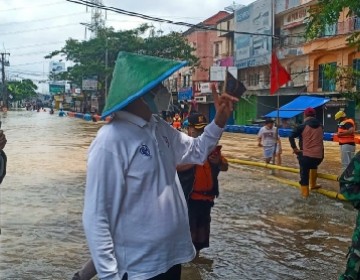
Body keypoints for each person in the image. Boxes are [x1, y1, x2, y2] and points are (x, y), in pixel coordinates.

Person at [75, 51, 238, 280]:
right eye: (158, 86)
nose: (163, 91)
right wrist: (109, 275)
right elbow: (96, 216)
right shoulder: (110, 141)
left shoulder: (158, 127)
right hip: (138, 269)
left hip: (171, 258)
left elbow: (197, 151)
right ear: (142, 92)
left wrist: (219, 121)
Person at [177, 112, 228, 257]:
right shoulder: (182, 146)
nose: (202, 133)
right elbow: (171, 167)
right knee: (187, 238)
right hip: (189, 201)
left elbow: (225, 167)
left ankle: (195, 264)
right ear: (190, 129)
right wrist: (194, 160)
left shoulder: (211, 148)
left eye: (204, 129)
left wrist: (218, 161)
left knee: (200, 239)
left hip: (206, 201)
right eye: (198, 129)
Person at [289, 107, 324, 198]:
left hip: (306, 158)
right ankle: (313, 185)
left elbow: (291, 136)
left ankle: (305, 197)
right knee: (313, 164)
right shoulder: (321, 126)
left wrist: (295, 149)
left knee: (304, 174)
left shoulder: (302, 126)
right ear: (315, 115)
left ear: (305, 115)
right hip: (319, 157)